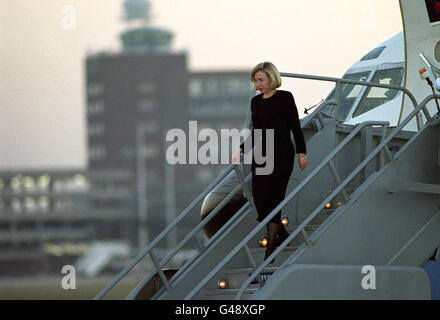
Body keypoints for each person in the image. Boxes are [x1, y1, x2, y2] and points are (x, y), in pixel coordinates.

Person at [232, 62, 308, 262]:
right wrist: (241, 148)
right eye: (255, 81)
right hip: (262, 157)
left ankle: (271, 248)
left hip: (282, 155)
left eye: (261, 80)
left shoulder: (285, 98)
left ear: (272, 78)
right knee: (260, 199)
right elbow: (256, 132)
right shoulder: (256, 102)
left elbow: (295, 127)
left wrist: (302, 152)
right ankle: (281, 234)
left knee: (274, 201)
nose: (258, 84)